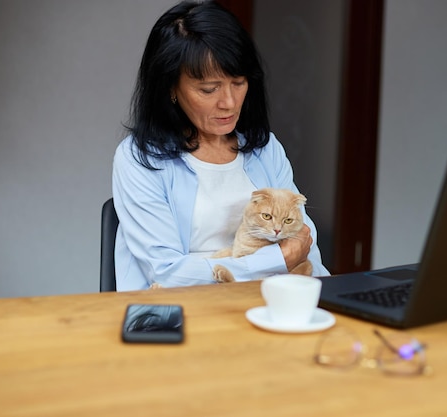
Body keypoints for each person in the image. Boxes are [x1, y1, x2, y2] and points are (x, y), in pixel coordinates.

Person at [112, 0, 329, 290]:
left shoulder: (264, 148)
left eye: (238, 83)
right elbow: (167, 273)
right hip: (181, 314)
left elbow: (304, 244)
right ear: (170, 88)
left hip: (267, 305)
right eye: (209, 89)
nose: (228, 102)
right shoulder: (139, 159)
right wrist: (275, 260)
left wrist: (328, 298)